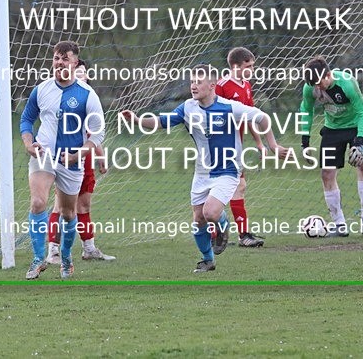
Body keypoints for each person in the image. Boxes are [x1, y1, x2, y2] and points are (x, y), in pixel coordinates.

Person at [121, 64, 290, 273]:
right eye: (192, 81)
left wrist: (272, 145)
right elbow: (160, 121)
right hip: (202, 172)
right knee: (199, 218)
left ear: (212, 85)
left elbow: (263, 117)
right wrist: (137, 120)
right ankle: (207, 260)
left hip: (228, 170)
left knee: (210, 212)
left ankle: (223, 223)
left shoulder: (229, 107)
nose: (193, 85)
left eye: (199, 82)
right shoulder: (187, 107)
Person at [19, 41, 105, 280]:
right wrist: (28, 143)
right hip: (44, 155)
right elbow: (26, 119)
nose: (59, 63)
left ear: (75, 63)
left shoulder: (87, 95)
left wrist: (79, 154)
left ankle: (66, 258)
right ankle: (38, 260)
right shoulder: (42, 89)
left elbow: (98, 133)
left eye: (65, 59)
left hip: (72, 162)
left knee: (68, 214)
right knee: (38, 203)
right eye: (56, 58)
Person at [46, 59, 115, 264]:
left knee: (83, 206)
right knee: (60, 206)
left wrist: (101, 158)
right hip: (65, 158)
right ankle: (53, 251)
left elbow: (93, 134)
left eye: (84, 72)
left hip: (85, 160)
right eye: (77, 72)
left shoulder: (88, 100)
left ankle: (89, 249)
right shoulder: (61, 99)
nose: (81, 75)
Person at [298, 56, 363, 237]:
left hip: (356, 126)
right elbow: (306, 110)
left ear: (328, 74)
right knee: (326, 173)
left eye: (319, 83)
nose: (317, 88)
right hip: (332, 129)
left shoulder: (347, 83)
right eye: (313, 85)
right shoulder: (310, 87)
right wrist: (305, 140)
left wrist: (360, 141)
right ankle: (340, 225)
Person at [215, 47, 266, 248]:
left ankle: (242, 235)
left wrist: (259, 142)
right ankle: (219, 233)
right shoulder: (221, 86)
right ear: (236, 66)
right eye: (249, 66)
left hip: (236, 146)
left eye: (253, 65)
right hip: (219, 147)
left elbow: (251, 115)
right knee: (219, 190)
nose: (252, 69)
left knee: (240, 187)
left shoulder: (246, 86)